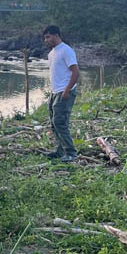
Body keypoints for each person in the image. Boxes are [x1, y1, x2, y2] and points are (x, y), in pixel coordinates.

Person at [42, 26, 79, 162]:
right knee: (54, 122)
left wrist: (67, 90)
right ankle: (60, 150)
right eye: (45, 37)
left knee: (60, 122)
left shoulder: (66, 50)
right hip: (54, 92)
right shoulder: (51, 53)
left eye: (48, 37)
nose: (46, 40)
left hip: (64, 91)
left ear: (56, 35)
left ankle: (71, 153)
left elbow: (75, 72)